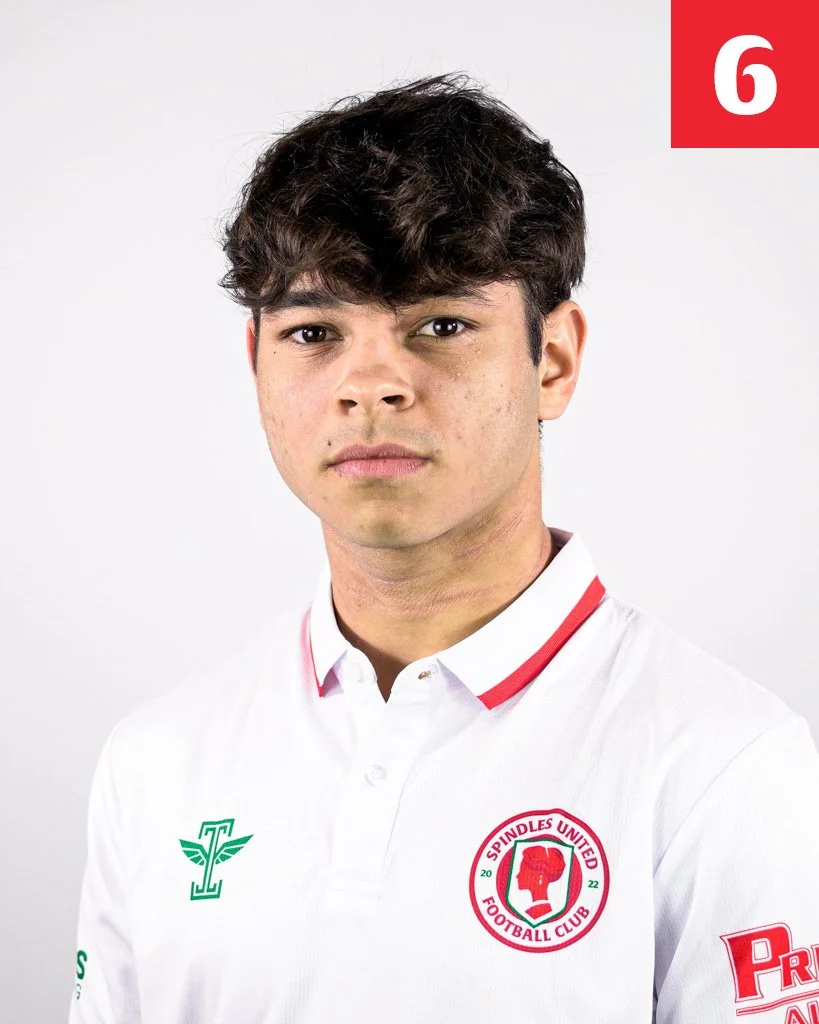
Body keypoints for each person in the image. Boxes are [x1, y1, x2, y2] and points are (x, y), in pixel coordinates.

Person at [68, 72, 819, 1024]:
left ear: (552, 359)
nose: (370, 383)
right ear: (256, 366)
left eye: (442, 325)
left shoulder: (723, 763)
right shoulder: (156, 761)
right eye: (312, 333)